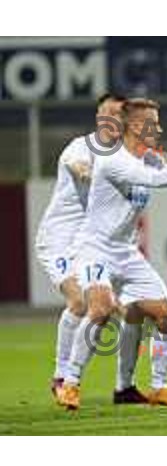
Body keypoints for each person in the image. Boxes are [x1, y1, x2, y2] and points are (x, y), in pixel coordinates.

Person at [56, 98, 167, 411]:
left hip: (126, 252)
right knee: (101, 307)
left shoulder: (151, 159)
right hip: (94, 248)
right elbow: (153, 180)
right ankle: (69, 382)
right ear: (135, 126)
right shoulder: (113, 159)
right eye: (153, 123)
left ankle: (159, 388)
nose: (159, 128)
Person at [35, 93, 125, 401]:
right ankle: (61, 378)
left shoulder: (124, 155)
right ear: (98, 117)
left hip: (90, 243)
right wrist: (93, 176)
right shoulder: (80, 146)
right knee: (78, 301)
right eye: (105, 114)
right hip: (59, 238)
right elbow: (78, 167)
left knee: (104, 307)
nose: (110, 120)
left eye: (117, 115)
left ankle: (77, 379)